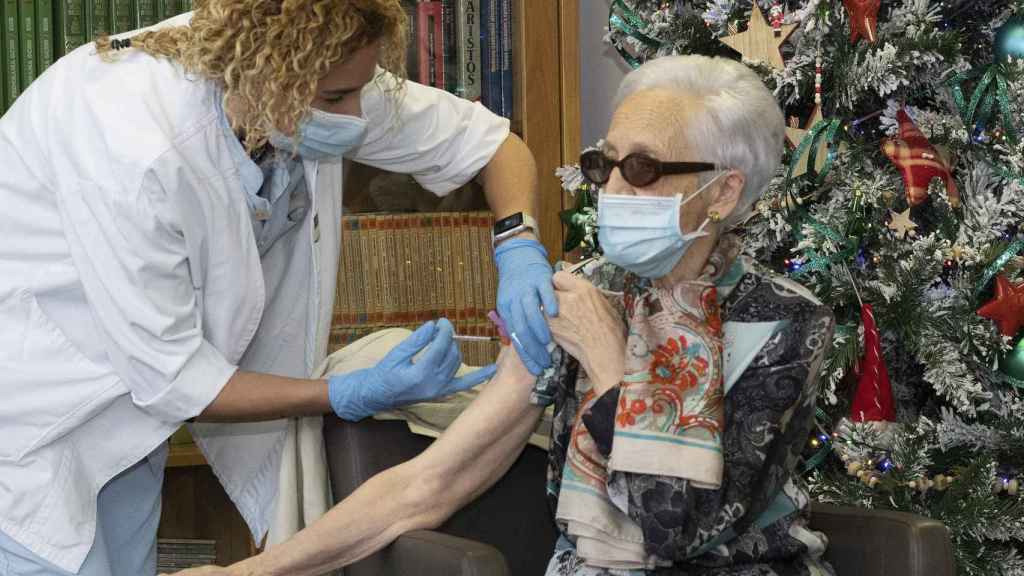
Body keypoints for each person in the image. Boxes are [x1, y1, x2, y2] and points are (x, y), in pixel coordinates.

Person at [165, 54, 836, 576]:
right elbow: (433, 481)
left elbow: (679, 527)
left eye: (643, 167)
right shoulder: (589, 292)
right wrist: (252, 568)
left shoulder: (782, 320)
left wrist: (609, 363)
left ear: (722, 194)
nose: (614, 190)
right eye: (605, 164)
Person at [0, 1, 558, 575]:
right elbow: (175, 379)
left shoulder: (324, 79)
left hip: (130, 427)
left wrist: (518, 245)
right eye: (338, 99)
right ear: (266, 79)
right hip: (32, 420)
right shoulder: (136, 148)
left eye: (361, 89)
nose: (358, 116)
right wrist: (344, 392)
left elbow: (492, 147)